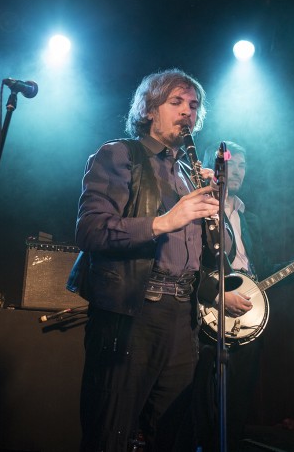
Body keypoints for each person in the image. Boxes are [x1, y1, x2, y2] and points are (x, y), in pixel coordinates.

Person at [73, 68, 219, 451]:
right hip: (132, 313)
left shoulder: (189, 174)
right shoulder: (119, 155)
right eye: (176, 102)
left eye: (193, 105)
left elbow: (208, 253)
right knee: (110, 433)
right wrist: (165, 221)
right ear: (149, 109)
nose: (187, 112)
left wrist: (214, 217)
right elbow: (91, 230)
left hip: (182, 317)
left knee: (171, 435)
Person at [192, 140, 294, 451]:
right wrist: (217, 294)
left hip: (246, 321)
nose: (237, 171)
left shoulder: (249, 219)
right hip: (207, 317)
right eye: (231, 164)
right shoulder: (197, 210)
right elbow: (188, 264)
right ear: (212, 167)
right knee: (201, 406)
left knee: (237, 401)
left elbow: (265, 271)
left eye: (243, 166)